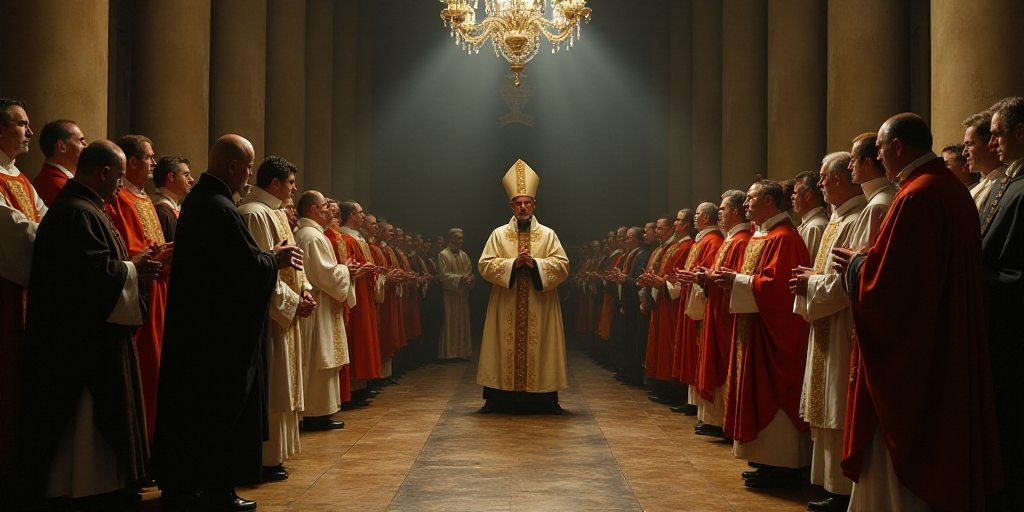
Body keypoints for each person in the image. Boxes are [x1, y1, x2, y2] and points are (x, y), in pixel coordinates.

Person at [833, 113, 1002, 511]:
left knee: (906, 448)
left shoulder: (916, 195)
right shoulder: (946, 188)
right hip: (943, 333)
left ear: (897, 147)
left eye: (879, 149)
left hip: (917, 351)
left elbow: (891, 287)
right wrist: (871, 257)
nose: (877, 157)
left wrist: (857, 265)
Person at [152, 135, 302, 512]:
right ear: (233, 166)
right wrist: (275, 259)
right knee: (214, 412)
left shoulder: (204, 202)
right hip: (215, 337)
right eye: (249, 167)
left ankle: (189, 487)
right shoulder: (219, 207)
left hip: (201, 329)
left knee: (195, 412)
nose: (250, 175)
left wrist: (265, 258)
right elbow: (244, 268)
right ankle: (213, 490)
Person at [13, 141, 160, 510]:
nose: (121, 185)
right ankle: (82, 490)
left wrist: (133, 261)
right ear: (104, 172)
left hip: (90, 333)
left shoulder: (86, 206)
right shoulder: (78, 212)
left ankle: (101, 484)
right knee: (80, 429)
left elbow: (98, 263)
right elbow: (86, 276)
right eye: (119, 176)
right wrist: (133, 269)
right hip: (77, 341)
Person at [713, 179, 811, 489]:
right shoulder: (765, 234)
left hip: (774, 331)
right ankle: (768, 461)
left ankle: (784, 465)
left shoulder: (783, 238)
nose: (746, 204)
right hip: (755, 326)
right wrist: (738, 280)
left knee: (773, 390)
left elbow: (777, 288)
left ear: (769, 201)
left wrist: (738, 281)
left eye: (751, 198)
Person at [789, 151, 865, 512]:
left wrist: (810, 284)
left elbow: (845, 283)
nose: (819, 186)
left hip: (841, 325)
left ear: (836, 179)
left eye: (822, 178)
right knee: (825, 402)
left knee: (836, 402)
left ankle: (841, 490)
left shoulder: (857, 217)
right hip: (825, 323)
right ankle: (829, 485)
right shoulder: (838, 218)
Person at [238, 156, 314, 482]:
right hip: (269, 317)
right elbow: (259, 271)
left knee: (283, 382)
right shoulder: (254, 214)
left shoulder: (275, 212)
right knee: (272, 383)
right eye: (291, 183)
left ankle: (276, 455)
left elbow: (293, 261)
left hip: (288, 310)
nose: (294, 189)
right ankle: (264, 458)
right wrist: (292, 302)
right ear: (275, 184)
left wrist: (305, 290)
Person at [477, 159, 569, 414]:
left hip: (540, 303)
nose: (523, 207)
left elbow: (562, 265)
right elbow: (485, 265)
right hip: (507, 301)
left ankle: (545, 399)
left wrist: (536, 264)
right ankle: (498, 398)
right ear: (511, 206)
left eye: (527, 203)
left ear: (534, 205)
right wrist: (512, 265)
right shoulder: (498, 235)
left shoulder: (548, 235)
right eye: (518, 203)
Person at [106, 134, 172, 443]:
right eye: (149, 157)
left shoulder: (144, 199)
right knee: (146, 365)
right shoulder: (119, 199)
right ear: (132, 161)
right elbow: (128, 250)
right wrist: (160, 254)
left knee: (159, 367)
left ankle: (157, 436)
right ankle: (144, 439)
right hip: (139, 291)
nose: (153, 163)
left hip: (158, 290)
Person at [979, 97, 1024, 509]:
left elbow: (1014, 274)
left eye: (996, 133)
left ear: (1020, 132)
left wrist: (969, 283)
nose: (991, 142)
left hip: (1011, 333)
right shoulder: (1008, 182)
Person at [0, 97, 43, 483]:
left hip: (24, 289)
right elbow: (13, 229)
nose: (30, 132)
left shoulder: (20, 177)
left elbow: (44, 217)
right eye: (22, 124)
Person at [689, 191, 750, 437]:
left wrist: (707, 278)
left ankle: (721, 420)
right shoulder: (730, 239)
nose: (719, 214)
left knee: (723, 364)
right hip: (716, 308)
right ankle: (714, 419)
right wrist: (705, 278)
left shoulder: (740, 240)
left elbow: (733, 277)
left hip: (727, 312)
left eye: (722, 210)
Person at [294, 190, 355, 431]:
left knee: (322, 358)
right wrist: (346, 270)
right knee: (319, 358)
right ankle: (315, 413)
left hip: (320, 303)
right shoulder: (312, 237)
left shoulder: (310, 234)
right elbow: (325, 274)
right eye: (323, 207)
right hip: (317, 306)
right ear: (312, 209)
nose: (328, 212)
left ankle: (321, 411)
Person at [671, 203, 723, 419]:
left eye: (698, 214)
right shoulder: (702, 240)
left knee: (700, 353)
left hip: (703, 303)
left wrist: (695, 278)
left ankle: (700, 407)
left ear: (707, 218)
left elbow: (707, 272)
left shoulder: (713, 241)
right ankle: (694, 403)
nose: (695, 218)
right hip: (692, 297)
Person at [335, 202, 383, 404]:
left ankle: (361, 384)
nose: (363, 216)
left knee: (364, 337)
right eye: (361, 213)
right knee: (357, 337)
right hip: (356, 296)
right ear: (352, 215)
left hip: (364, 293)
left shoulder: (357, 238)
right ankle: (354, 388)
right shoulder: (345, 239)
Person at [847, 133, 896, 249]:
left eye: (853, 160)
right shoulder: (887, 195)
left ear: (867, 163)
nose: (849, 166)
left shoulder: (876, 206)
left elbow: (861, 259)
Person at [438, 228, 474, 361]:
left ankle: (461, 352)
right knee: (451, 322)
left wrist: (470, 279)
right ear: (451, 239)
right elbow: (444, 275)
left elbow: (470, 270)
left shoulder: (464, 255)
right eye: (458, 238)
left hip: (462, 295)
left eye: (462, 238)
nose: (460, 241)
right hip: (450, 295)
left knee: (462, 322)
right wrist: (460, 278)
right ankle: (450, 353)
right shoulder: (443, 255)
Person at [32, 119, 88, 207]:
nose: (86, 145)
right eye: (80, 141)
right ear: (62, 146)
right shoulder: (61, 188)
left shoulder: (50, 179)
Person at [962, 111, 1006, 214]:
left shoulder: (1006, 185)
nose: (964, 153)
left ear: (991, 143)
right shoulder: (980, 186)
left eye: (970, 144)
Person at [151, 156, 195, 242]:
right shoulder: (161, 211)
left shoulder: (173, 207)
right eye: (186, 175)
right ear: (171, 177)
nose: (191, 180)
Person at [793, 170, 829, 261]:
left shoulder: (815, 227)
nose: (792, 197)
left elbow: (807, 264)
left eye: (795, 193)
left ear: (808, 196)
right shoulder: (809, 224)